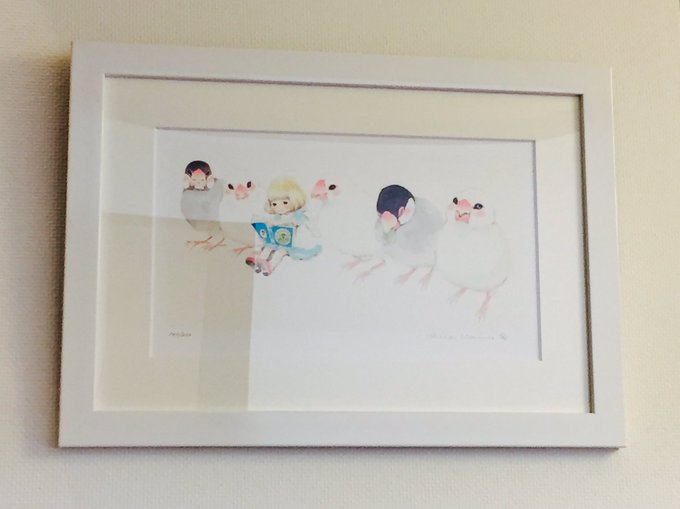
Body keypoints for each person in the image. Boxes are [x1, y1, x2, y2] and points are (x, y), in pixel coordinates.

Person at [246, 177, 321, 276]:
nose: (279, 207)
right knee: (267, 248)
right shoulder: (277, 216)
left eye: (285, 202)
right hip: (278, 239)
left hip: (290, 243)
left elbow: (300, 225)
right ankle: (259, 262)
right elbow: (274, 223)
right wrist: (268, 226)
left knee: (280, 252)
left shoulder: (296, 215)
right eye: (274, 204)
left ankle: (270, 266)